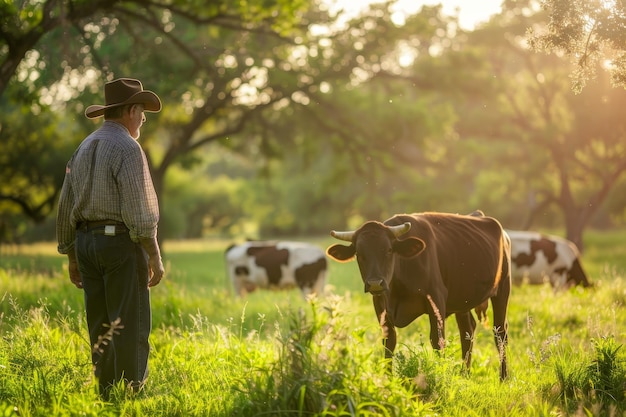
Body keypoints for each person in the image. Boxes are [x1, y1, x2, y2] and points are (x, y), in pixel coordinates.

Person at [56, 78, 165, 399]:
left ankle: (106, 395)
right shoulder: (128, 148)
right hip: (118, 244)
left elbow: (65, 205)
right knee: (130, 326)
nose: (143, 120)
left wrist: (71, 255)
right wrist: (154, 255)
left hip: (86, 244)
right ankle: (131, 397)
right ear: (131, 110)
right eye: (142, 113)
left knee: (101, 326)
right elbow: (141, 213)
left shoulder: (83, 146)